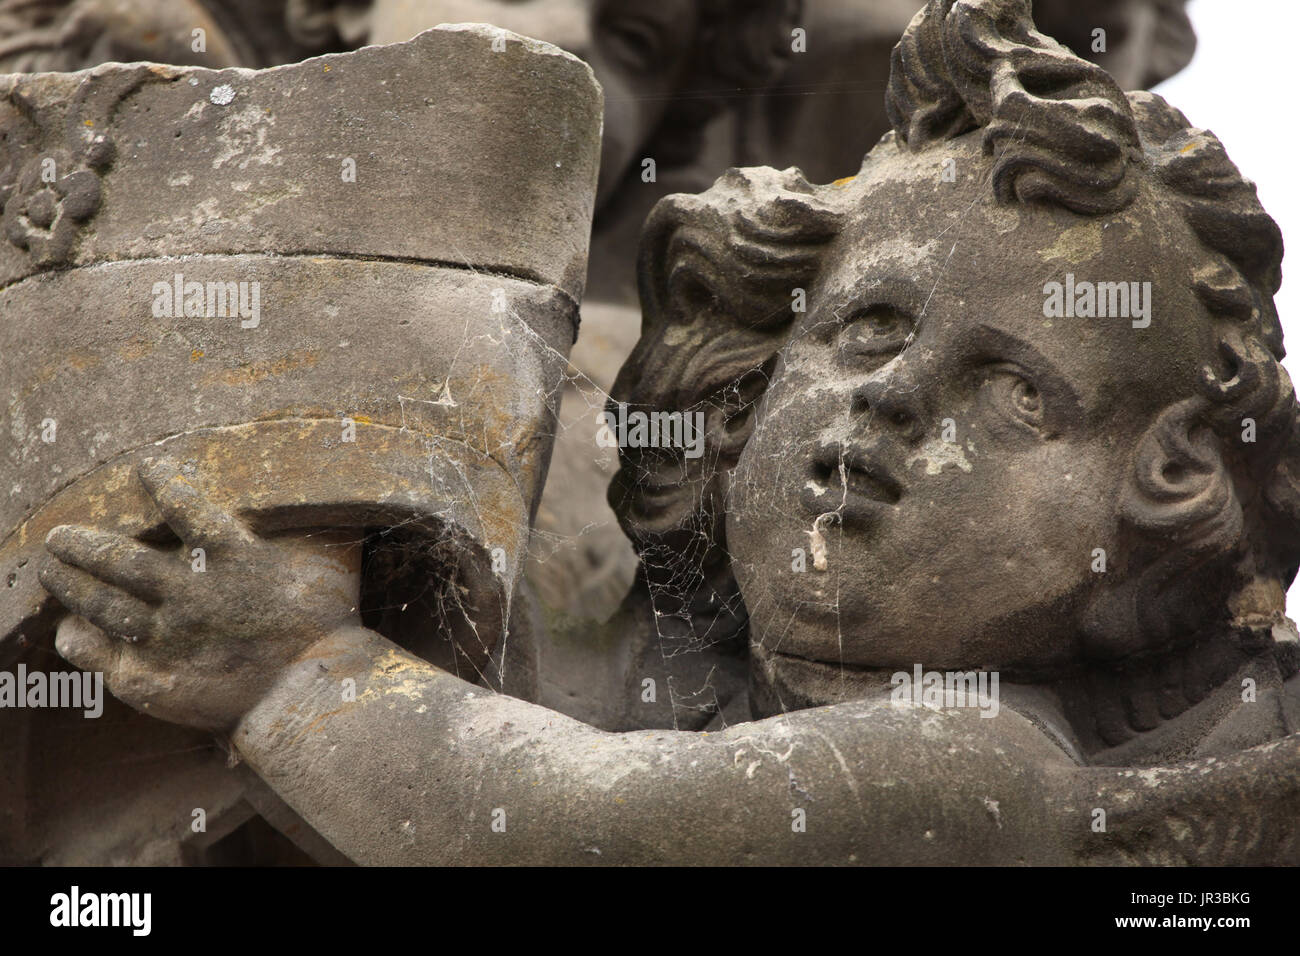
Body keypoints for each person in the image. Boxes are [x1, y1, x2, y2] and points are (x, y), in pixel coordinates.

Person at [38, 0, 1300, 863]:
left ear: (1163, 501)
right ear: (741, 385)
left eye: (1019, 393)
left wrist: (297, 677)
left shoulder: (972, 751)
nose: (897, 397)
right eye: (863, 331)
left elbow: (551, 824)